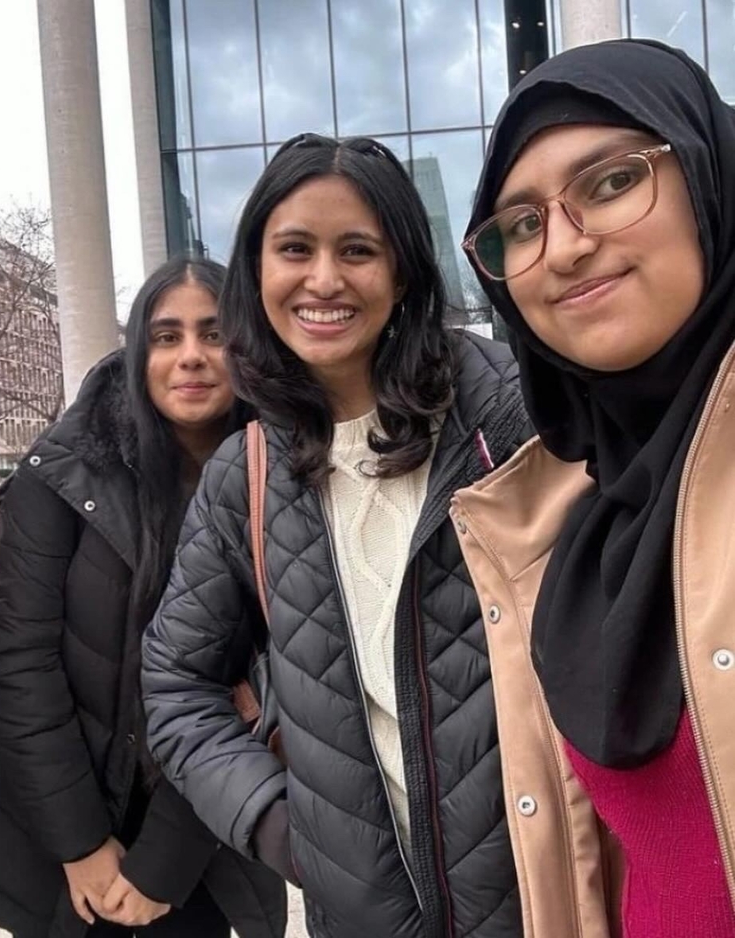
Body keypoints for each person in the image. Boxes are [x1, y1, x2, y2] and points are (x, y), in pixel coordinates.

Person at [142, 134, 531, 938]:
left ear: (402, 272)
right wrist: (281, 826)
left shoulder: (511, 414)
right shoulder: (244, 474)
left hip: (546, 895)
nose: (323, 279)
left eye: (357, 249)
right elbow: (175, 686)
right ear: (257, 271)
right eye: (294, 249)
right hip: (362, 915)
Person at [454, 38, 735, 938]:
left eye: (612, 182)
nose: (566, 248)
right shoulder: (569, 520)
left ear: (708, 179)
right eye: (523, 224)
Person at [0, 255, 287, 938]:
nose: (191, 356)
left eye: (215, 334)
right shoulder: (65, 471)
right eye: (166, 336)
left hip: (203, 840)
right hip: (52, 828)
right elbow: (17, 665)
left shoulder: (282, 478)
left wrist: (163, 864)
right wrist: (82, 848)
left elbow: (268, 688)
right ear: (137, 351)